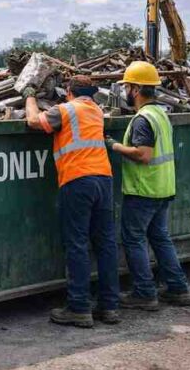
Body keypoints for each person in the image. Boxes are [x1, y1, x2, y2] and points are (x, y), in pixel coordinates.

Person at [26, 75, 120, 327]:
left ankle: (79, 307)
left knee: (77, 243)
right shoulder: (97, 111)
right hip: (104, 178)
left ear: (68, 91)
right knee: (105, 243)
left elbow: (34, 122)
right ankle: (109, 307)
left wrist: (29, 97)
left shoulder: (65, 110)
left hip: (78, 180)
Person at [107, 61, 190, 310]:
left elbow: (143, 154)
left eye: (126, 87)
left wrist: (112, 145)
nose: (124, 91)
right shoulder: (160, 114)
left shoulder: (143, 119)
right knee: (160, 239)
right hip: (162, 188)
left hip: (144, 190)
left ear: (134, 89)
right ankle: (177, 288)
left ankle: (144, 293)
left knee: (133, 240)